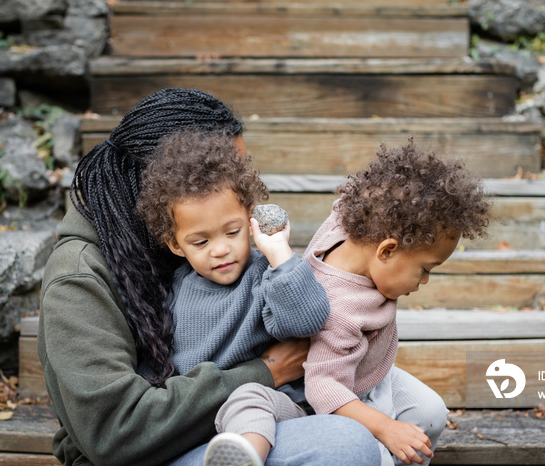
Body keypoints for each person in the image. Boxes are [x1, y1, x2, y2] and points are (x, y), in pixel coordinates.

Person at [37, 88, 381, 466]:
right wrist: (269, 371)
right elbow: (115, 431)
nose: (236, 185)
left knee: (409, 409)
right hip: (147, 452)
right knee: (345, 444)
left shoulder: (198, 251)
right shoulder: (77, 278)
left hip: (226, 422)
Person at [212, 139, 492, 466]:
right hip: (325, 398)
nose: (425, 281)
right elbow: (323, 389)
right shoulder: (341, 312)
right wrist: (385, 428)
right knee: (371, 451)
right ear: (386, 251)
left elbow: (356, 201)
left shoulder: (347, 225)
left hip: (365, 373)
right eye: (425, 269)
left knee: (429, 412)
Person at [136, 129, 330, 464]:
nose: (221, 249)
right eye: (201, 242)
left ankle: (245, 457)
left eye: (232, 231)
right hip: (201, 419)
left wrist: (280, 255)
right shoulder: (175, 289)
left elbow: (307, 320)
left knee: (247, 396)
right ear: (175, 245)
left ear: (249, 219)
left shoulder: (266, 276)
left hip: (272, 407)